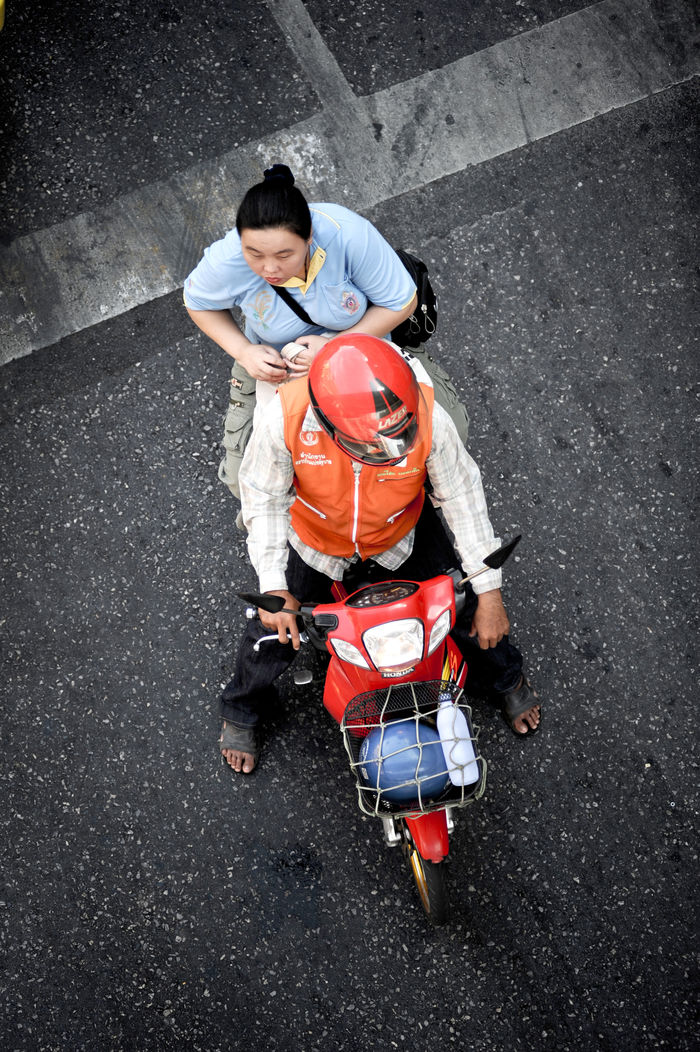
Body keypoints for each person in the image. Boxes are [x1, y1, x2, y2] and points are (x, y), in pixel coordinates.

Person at [219, 334, 541, 773]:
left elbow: (464, 500)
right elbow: (263, 501)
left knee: (467, 607)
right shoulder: (286, 417)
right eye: (377, 447)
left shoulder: (429, 416)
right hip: (316, 539)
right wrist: (274, 587)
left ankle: (506, 677)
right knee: (274, 629)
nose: (394, 452)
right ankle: (242, 708)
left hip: (400, 530)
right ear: (330, 426)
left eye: (400, 437)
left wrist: (490, 594)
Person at [183, 163, 469, 501]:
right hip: (278, 364)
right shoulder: (227, 259)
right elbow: (198, 302)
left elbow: (401, 302)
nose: (269, 268)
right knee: (244, 481)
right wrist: (244, 352)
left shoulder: (348, 234)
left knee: (447, 434)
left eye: (284, 254)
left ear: (309, 238)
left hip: (364, 347)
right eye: (254, 254)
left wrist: (336, 347)